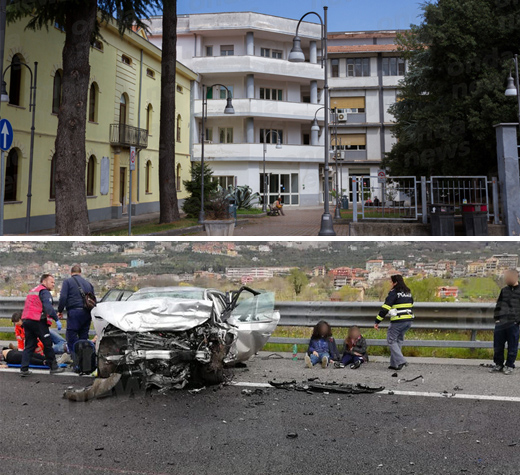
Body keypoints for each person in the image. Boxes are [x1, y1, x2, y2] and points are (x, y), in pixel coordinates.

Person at [20, 274, 64, 376]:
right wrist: (56, 319)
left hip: (27, 320)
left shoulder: (34, 290)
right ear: (44, 281)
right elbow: (48, 307)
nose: (53, 284)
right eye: (51, 282)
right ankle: (54, 367)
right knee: (47, 344)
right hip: (37, 321)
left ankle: (24, 369)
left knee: (30, 345)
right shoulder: (44, 292)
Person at [374, 274, 414, 371]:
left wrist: (377, 321)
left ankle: (401, 361)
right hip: (408, 320)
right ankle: (394, 364)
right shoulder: (408, 292)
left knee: (391, 340)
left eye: (391, 282)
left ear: (395, 282)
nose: (390, 283)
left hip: (398, 320)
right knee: (398, 341)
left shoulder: (394, 292)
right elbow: (411, 303)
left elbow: (386, 308)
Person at [58, 265, 96, 357]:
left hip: (74, 312)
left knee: (71, 336)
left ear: (71, 273)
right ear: (80, 273)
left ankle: (74, 358)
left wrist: (60, 310)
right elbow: (93, 299)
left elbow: (63, 297)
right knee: (83, 337)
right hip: (87, 313)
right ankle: (83, 360)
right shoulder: (88, 284)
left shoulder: (67, 282)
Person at [490, 269, 520, 375]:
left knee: (512, 346)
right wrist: (497, 319)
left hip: (513, 323)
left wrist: (517, 320)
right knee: (498, 345)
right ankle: (498, 364)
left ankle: (509, 365)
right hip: (501, 322)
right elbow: (499, 304)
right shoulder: (504, 290)